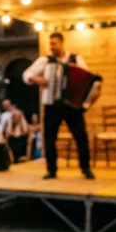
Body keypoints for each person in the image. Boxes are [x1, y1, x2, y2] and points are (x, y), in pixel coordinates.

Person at [23, 32, 95, 180]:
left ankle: (86, 168)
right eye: (50, 44)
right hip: (52, 104)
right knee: (49, 138)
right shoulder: (45, 60)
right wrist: (37, 79)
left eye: (54, 43)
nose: (51, 47)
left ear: (62, 43)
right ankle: (51, 169)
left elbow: (87, 78)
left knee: (81, 136)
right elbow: (26, 74)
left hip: (72, 105)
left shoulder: (76, 59)